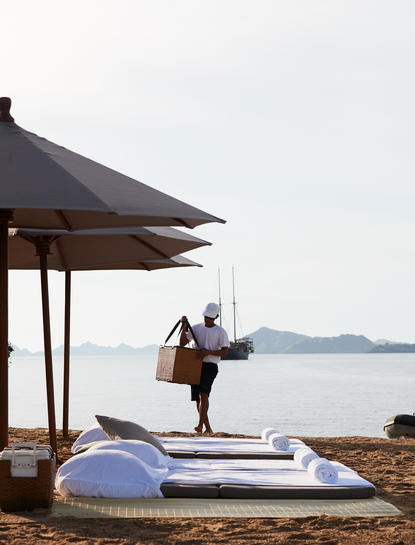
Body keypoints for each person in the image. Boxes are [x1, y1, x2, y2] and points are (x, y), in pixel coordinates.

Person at [180, 303, 229, 434]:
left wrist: (208, 352)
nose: (207, 319)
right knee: (197, 398)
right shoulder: (195, 328)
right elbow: (182, 343)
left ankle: (200, 425)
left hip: (210, 366)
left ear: (216, 317)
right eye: (206, 316)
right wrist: (184, 325)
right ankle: (208, 428)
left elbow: (224, 352)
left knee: (204, 394)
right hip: (195, 365)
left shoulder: (220, 331)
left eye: (210, 317)